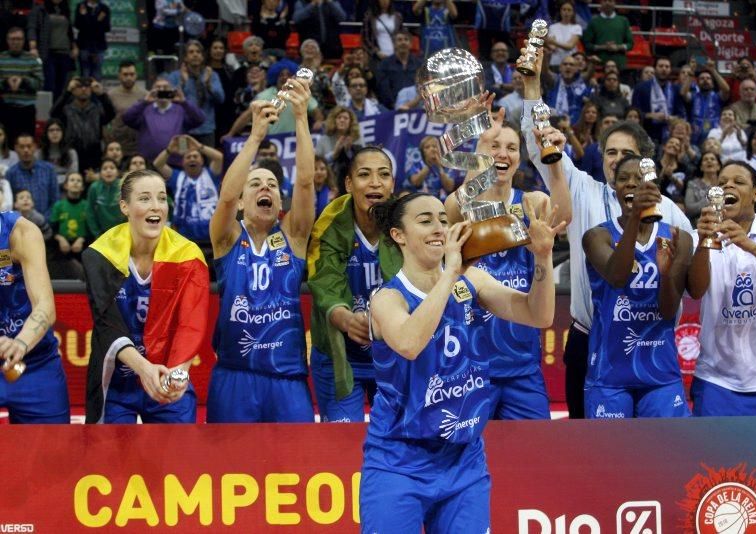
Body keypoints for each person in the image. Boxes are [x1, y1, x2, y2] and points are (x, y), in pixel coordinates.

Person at [360, 192, 563, 532]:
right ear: (399, 236)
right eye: (425, 221)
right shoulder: (387, 298)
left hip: (464, 459)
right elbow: (409, 343)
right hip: (399, 460)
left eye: (443, 219)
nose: (439, 227)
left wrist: (542, 257)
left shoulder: (473, 281)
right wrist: (450, 272)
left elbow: (538, 315)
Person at [519, 47, 692, 418]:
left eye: (624, 153)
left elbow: (682, 279)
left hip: (651, 343)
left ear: (643, 159)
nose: (615, 160)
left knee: (658, 451)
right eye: (609, 153)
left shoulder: (672, 213)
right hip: (590, 340)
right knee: (593, 457)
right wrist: (533, 85)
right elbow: (540, 145)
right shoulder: (582, 190)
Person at [687, 160, 756, 517]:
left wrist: (747, 243)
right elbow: (695, 289)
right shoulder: (699, 236)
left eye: (738, 180)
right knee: (717, 483)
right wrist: (705, 242)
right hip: (718, 382)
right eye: (721, 181)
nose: (728, 185)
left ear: (755, 193)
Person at [444, 104, 565, 421]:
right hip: (471, 363)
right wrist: (481, 150)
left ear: (520, 158)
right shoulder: (459, 203)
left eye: (511, 147)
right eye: (495, 146)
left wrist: (555, 166)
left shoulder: (533, 202)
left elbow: (564, 218)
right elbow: (461, 208)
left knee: (533, 458)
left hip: (521, 362)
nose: (503, 153)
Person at [208, 81, 316, 423]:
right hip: (234, 374)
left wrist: (301, 117)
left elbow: (305, 182)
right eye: (255, 184)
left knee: (296, 467)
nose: (265, 187)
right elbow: (225, 197)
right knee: (228, 468)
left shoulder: (294, 238)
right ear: (242, 201)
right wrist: (254, 137)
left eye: (272, 185)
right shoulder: (226, 238)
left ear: (280, 203)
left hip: (287, 377)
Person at [82, 169, 210, 424]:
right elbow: (107, 325)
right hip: (116, 382)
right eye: (144, 198)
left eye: (162, 198)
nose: (156, 207)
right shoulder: (99, 255)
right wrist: (144, 369)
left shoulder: (188, 255)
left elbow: (190, 324)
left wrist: (177, 377)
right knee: (108, 462)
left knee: (178, 461)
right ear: (124, 207)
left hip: (168, 371)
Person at [583, 155, 692, 418]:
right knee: (610, 459)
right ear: (614, 188)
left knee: (667, 457)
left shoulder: (679, 238)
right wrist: (634, 219)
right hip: (609, 374)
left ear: (654, 187)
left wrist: (666, 274)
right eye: (623, 179)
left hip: (660, 372)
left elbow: (668, 311)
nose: (631, 184)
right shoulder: (597, 236)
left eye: (640, 179)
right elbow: (618, 277)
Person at [307, 147, 401, 423]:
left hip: (393, 355)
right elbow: (324, 284)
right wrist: (347, 320)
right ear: (349, 184)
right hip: (339, 355)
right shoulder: (329, 224)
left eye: (384, 175)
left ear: (392, 184)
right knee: (342, 444)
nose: (375, 182)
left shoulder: (405, 221)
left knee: (398, 441)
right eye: (364, 175)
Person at [0, 187, 70, 423]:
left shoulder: (22, 233)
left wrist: (21, 342)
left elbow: (45, 307)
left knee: (54, 457)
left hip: (36, 362)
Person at [153, 135, 223, 249]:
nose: (192, 159)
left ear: (202, 161)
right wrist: (169, 150)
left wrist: (199, 146)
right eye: (188, 157)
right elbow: (158, 164)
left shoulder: (211, 174)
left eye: (195, 156)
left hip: (212, 239)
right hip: (185, 240)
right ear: (182, 163)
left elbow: (219, 158)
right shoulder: (176, 177)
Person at [122, 78, 205, 161]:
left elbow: (200, 119)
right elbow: (127, 118)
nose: (161, 90)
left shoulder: (181, 109)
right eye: (158, 88)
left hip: (176, 161)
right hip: (149, 161)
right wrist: (144, 102)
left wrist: (184, 102)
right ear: (152, 91)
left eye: (165, 88)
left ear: (171, 91)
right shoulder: (145, 109)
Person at [165, 41, 225, 148]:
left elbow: (221, 99)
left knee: (208, 162)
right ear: (185, 57)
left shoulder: (211, 75)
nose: (195, 54)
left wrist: (207, 84)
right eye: (191, 52)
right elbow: (168, 100)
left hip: (206, 129)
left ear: (202, 57)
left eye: (198, 52)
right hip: (183, 130)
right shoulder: (175, 76)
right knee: (184, 160)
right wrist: (183, 82)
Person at [50, 76, 115, 173]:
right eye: (79, 86)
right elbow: (53, 114)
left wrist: (102, 95)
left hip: (94, 158)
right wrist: (66, 92)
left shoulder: (97, 110)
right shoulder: (67, 110)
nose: (83, 89)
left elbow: (111, 114)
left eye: (87, 86)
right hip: (71, 156)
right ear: (73, 90)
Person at [26, 0, 78, 98]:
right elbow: (32, 28)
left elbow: (69, 31)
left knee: (62, 86)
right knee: (49, 85)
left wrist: (74, 46)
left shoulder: (65, 10)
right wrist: (33, 46)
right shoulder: (40, 10)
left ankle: (57, 111)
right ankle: (47, 111)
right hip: (49, 53)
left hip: (65, 53)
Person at [0, 27, 43, 144]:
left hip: (27, 110)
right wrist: (5, 82)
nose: (15, 42)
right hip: (5, 109)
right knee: (5, 146)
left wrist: (23, 81)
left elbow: (40, 83)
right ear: (7, 40)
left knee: (26, 145)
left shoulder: (32, 59)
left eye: (19, 39)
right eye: (12, 39)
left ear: (24, 41)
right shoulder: (1, 58)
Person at [631, 56, 686, 143]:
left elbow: (681, 114)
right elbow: (633, 112)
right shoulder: (641, 87)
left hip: (669, 134)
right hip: (646, 133)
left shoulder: (675, 89)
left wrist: (671, 118)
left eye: (667, 67)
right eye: (661, 66)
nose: (664, 69)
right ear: (655, 68)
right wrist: (650, 115)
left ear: (670, 69)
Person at [5, 134, 58, 218]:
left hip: (46, 222)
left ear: (35, 147)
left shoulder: (48, 169)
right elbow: (9, 203)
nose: (26, 150)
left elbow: (55, 200)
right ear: (16, 148)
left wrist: (45, 220)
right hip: (21, 224)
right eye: (22, 147)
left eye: (29, 146)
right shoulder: (11, 173)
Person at [49, 171, 87, 280]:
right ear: (66, 185)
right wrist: (60, 239)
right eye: (72, 180)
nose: (75, 183)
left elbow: (91, 230)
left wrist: (81, 239)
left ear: (82, 187)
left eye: (79, 181)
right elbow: (53, 229)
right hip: (62, 247)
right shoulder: (59, 206)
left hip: (82, 246)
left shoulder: (87, 205)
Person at [105, 61, 148, 157]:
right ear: (119, 76)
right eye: (125, 74)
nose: (129, 78)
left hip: (138, 143)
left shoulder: (145, 95)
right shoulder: (111, 95)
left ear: (136, 76)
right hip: (118, 144)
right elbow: (106, 121)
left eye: (132, 74)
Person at [316, 107, 362, 192]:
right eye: (339, 117)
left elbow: (362, 161)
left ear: (351, 122)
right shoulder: (323, 140)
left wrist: (348, 151)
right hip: (329, 185)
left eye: (345, 118)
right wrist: (334, 154)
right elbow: (316, 165)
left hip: (352, 182)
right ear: (334, 120)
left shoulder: (357, 139)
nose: (342, 120)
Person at [376, 30, 423, 110]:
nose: (403, 42)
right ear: (394, 44)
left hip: (417, 107)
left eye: (406, 39)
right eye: (399, 40)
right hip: (392, 109)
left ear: (411, 44)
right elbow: (383, 89)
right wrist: (394, 106)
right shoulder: (384, 64)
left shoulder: (419, 64)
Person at [582, 0, 633, 69]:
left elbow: (630, 44)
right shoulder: (593, 22)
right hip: (599, 64)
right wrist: (603, 47)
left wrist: (617, 47)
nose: (607, 3)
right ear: (601, 3)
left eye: (610, 0)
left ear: (615, 3)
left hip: (619, 65)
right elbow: (587, 44)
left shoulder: (624, 21)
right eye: (605, 0)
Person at [85, 158, 125, 240]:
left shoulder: (124, 186)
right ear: (100, 173)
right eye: (105, 168)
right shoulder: (94, 188)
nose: (108, 171)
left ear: (118, 172)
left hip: (123, 233)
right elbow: (90, 212)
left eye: (112, 168)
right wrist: (97, 234)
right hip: (101, 234)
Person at [73, 0, 110, 80]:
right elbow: (77, 25)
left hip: (99, 46)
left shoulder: (104, 8)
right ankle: (85, 91)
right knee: (85, 73)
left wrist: (89, 19)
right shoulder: (81, 6)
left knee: (97, 73)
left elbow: (107, 28)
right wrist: (96, 20)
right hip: (84, 45)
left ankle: (96, 92)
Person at [35, 118, 78, 186]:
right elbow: (39, 177)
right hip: (46, 189)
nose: (55, 133)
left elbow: (73, 176)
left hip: (66, 190)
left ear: (63, 133)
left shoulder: (71, 153)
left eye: (58, 130)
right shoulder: (39, 153)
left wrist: (53, 180)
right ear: (46, 133)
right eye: (51, 130)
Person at [684, 151, 722, 225]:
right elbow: (689, 208)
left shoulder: (724, 184)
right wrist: (710, 199)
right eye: (705, 159)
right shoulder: (692, 184)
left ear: (718, 166)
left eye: (712, 159)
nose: (709, 161)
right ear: (701, 167)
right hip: (699, 224)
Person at [547, 0, 582, 68]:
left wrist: (554, 42)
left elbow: (570, 46)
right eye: (564, 9)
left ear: (573, 12)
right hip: (555, 62)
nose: (566, 12)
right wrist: (551, 44)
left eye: (569, 10)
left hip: (571, 63)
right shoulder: (552, 27)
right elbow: (552, 47)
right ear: (560, 11)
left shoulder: (577, 27)